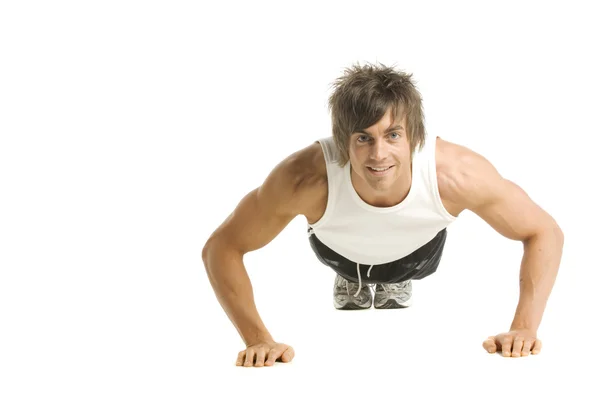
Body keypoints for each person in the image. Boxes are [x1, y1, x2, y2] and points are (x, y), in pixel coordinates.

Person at [202, 62, 564, 367]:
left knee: (406, 264)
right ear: (343, 139)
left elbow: (543, 231)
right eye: (363, 138)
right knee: (347, 264)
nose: (378, 155)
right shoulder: (304, 178)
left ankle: (393, 280)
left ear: (415, 137)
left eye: (393, 135)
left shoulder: (456, 175)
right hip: (339, 252)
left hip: (418, 252)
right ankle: (352, 279)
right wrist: (257, 339)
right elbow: (222, 247)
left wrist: (525, 328)